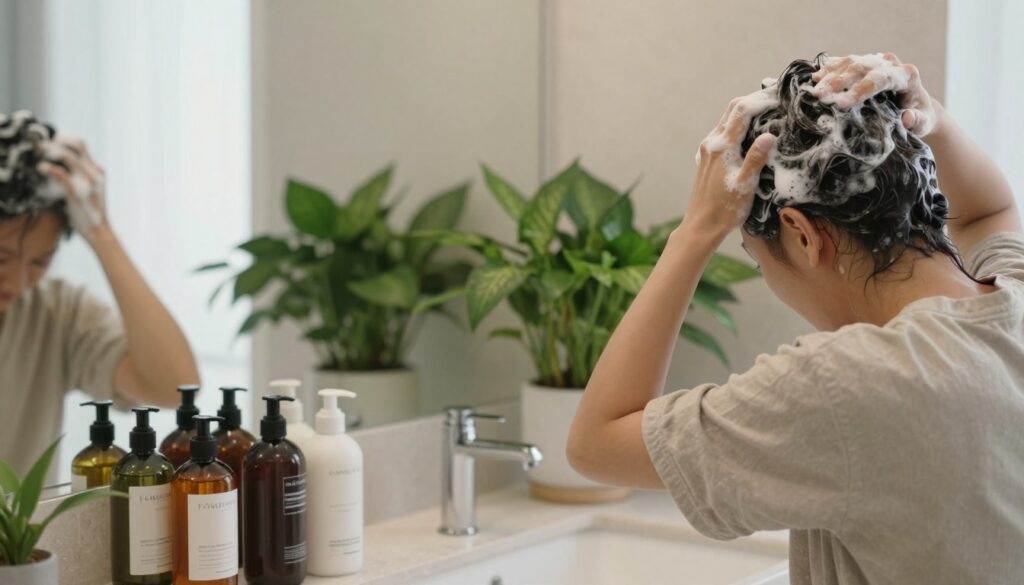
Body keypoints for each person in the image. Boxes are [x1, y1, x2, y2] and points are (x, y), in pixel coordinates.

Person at [567, 53, 1024, 584]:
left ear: (802, 234)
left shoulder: (850, 383)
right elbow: (991, 210)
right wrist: (929, 117)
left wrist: (697, 231)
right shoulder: (1011, 299)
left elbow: (594, 445)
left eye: (756, 258)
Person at [0, 111, 199, 477]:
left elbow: (173, 387)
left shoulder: (55, 312)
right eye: (2, 257)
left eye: (41, 261)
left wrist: (101, 234)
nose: (18, 279)